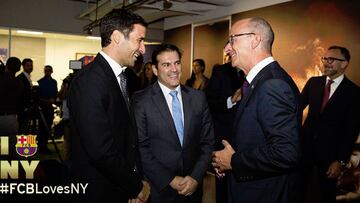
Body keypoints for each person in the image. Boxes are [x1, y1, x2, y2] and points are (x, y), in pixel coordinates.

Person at [212, 17, 302, 203]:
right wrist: (228, 162)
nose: (227, 49)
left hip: (262, 193)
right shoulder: (260, 81)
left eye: (232, 40)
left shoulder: (273, 84)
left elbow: (286, 152)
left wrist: (234, 161)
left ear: (255, 39)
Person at [68, 8, 150, 203]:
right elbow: (101, 151)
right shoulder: (89, 81)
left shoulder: (121, 77)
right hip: (99, 191)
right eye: (139, 40)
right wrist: (136, 186)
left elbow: (125, 137)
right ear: (116, 37)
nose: (143, 49)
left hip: (118, 187)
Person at [132, 43, 214, 203]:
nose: (174, 69)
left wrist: (195, 177)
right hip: (159, 188)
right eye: (166, 65)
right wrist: (170, 179)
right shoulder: (141, 100)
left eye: (177, 63)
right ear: (155, 70)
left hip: (193, 189)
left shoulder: (198, 98)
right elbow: (141, 147)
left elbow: (208, 142)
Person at [301, 46, 360, 203]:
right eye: (324, 59)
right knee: (298, 192)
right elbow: (295, 108)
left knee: (325, 196)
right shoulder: (313, 83)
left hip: (330, 159)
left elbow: (351, 130)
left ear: (344, 64)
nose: (326, 63)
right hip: (303, 152)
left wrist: (340, 161)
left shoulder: (354, 93)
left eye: (331, 59)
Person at [205, 56, 244, 203]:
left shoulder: (256, 74)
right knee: (224, 190)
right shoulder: (221, 71)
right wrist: (230, 101)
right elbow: (208, 101)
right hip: (225, 140)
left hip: (246, 146)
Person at [37, 65, 58, 153]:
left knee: (48, 128)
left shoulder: (54, 82)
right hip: (42, 108)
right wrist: (46, 101)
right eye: (46, 70)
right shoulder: (40, 82)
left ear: (52, 71)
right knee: (42, 128)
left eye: (49, 70)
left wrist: (53, 99)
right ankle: (41, 146)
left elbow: (55, 93)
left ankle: (44, 145)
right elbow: (38, 97)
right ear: (44, 71)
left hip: (50, 108)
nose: (47, 72)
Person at [16, 58, 33, 133]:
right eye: (28, 65)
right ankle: (22, 144)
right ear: (23, 66)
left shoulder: (28, 77)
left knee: (26, 129)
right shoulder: (20, 78)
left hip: (27, 108)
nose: (30, 67)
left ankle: (25, 144)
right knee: (22, 129)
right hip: (23, 109)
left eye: (31, 65)